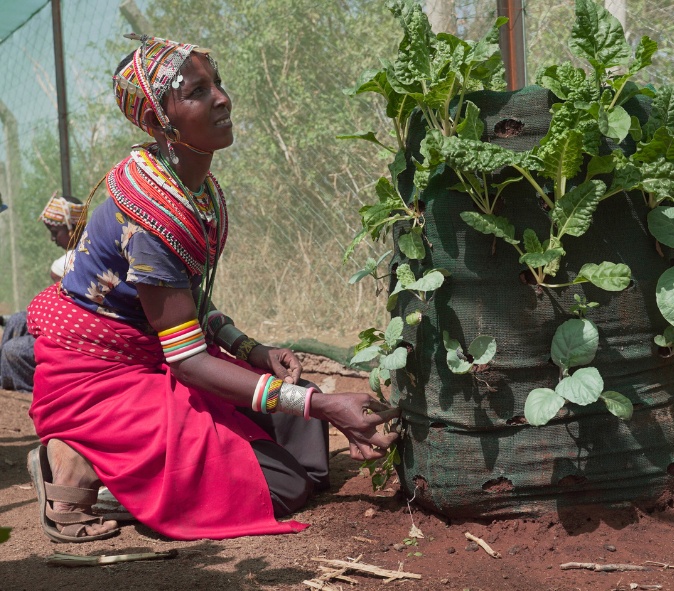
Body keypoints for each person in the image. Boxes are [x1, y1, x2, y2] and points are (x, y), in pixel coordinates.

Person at [25, 34, 399, 543]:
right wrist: (328, 406)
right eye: (198, 92)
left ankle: (152, 471)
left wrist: (252, 348)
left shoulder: (195, 189)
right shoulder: (151, 212)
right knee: (276, 485)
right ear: (161, 122)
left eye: (216, 84)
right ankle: (80, 465)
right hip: (100, 376)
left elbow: (189, 301)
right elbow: (187, 362)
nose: (222, 98)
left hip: (153, 351)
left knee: (304, 437)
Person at [0, 195, 85, 392]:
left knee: (13, 351)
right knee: (17, 320)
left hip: (74, 334)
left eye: (55, 232)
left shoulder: (65, 265)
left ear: (72, 228)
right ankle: (3, 377)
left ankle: (28, 392)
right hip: (64, 324)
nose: (52, 239)